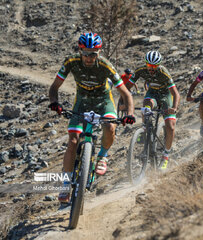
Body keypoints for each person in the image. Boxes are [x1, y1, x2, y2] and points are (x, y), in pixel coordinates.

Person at [48, 32, 135, 203]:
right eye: (85, 53)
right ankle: (66, 184)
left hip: (103, 101)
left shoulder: (105, 65)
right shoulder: (71, 62)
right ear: (80, 51)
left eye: (93, 54)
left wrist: (130, 114)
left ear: (99, 52)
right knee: (73, 141)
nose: (89, 58)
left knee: (110, 127)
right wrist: (54, 103)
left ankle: (102, 156)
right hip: (82, 101)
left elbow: (125, 93)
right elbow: (54, 87)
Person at [126, 50, 180, 170]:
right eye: (149, 65)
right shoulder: (141, 70)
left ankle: (166, 156)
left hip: (165, 96)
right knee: (147, 104)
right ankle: (145, 129)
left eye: (154, 66)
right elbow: (126, 87)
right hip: (152, 94)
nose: (151, 68)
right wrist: (123, 100)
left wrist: (174, 108)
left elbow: (175, 93)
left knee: (170, 126)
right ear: (146, 64)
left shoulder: (164, 73)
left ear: (159, 65)